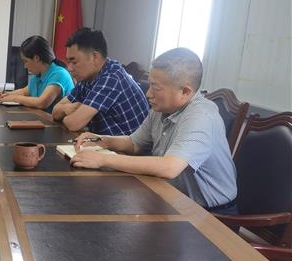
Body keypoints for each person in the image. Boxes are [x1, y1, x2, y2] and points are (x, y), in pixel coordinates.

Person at [71, 48, 238, 213]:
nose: (148, 94)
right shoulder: (163, 107)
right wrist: (101, 140)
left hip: (211, 214)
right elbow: (134, 143)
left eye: (156, 88)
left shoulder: (201, 116)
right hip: (172, 197)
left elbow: (169, 167)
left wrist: (103, 160)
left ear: (185, 91)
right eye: (150, 84)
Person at [52, 27, 149, 135]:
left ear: (95, 57)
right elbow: (55, 112)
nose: (69, 68)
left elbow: (74, 124)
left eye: (74, 62)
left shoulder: (112, 77)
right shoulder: (87, 77)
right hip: (104, 142)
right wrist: (66, 108)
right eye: (68, 62)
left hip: (127, 145)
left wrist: (65, 117)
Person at [0, 35, 74, 113]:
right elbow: (24, 91)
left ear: (36, 58)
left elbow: (42, 103)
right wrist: (6, 95)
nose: (25, 66)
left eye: (26, 61)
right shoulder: (36, 76)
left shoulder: (59, 74)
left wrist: (15, 98)